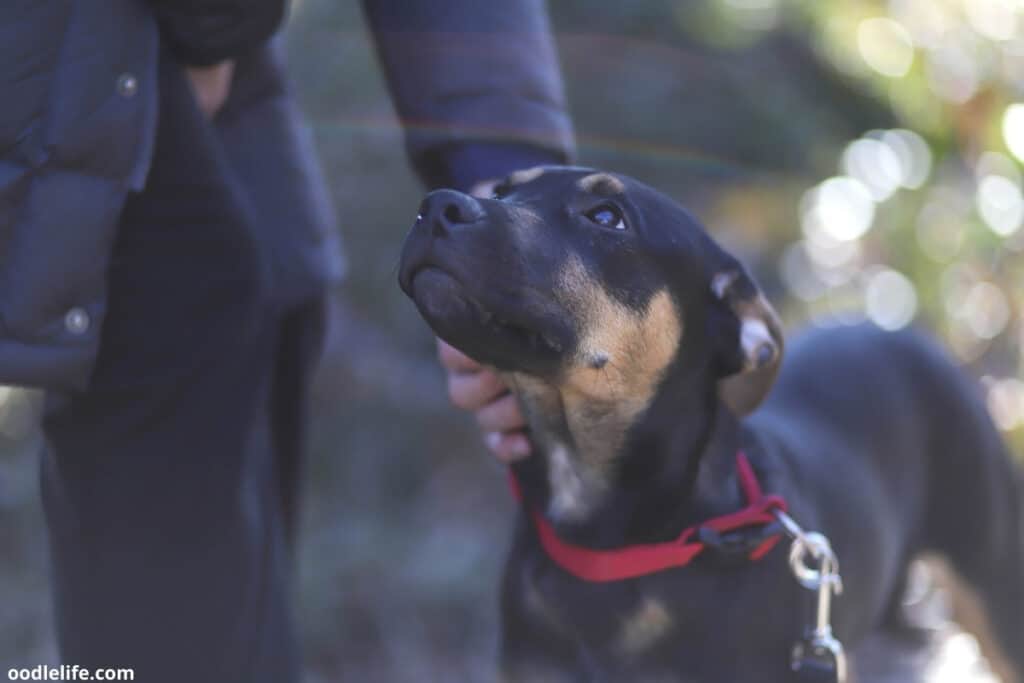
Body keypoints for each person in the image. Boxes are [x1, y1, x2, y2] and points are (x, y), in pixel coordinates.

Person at [0, 1, 571, 681]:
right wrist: (209, 30)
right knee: (192, 297)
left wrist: (511, 198)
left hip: (219, 75)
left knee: (274, 279)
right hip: (102, 49)